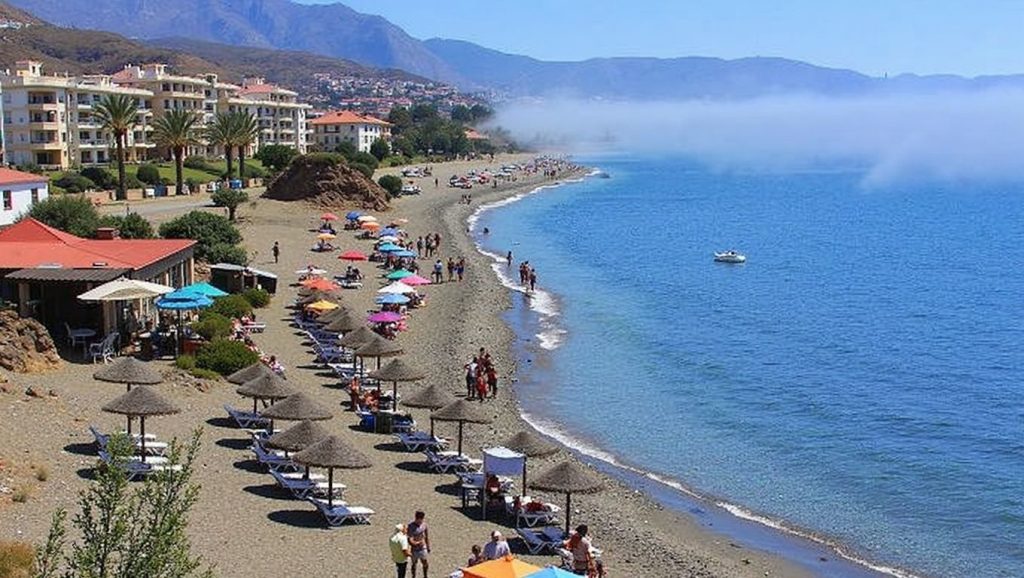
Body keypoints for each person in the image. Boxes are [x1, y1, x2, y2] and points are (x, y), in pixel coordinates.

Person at [407, 511, 430, 578]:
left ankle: (425, 576)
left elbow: (426, 536)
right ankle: (413, 576)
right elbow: (410, 540)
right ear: (416, 518)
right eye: (419, 519)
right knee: (414, 563)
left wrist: (428, 546)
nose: (421, 521)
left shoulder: (424, 525)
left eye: (422, 519)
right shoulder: (411, 526)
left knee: (425, 562)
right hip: (414, 549)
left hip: (423, 548)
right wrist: (417, 543)